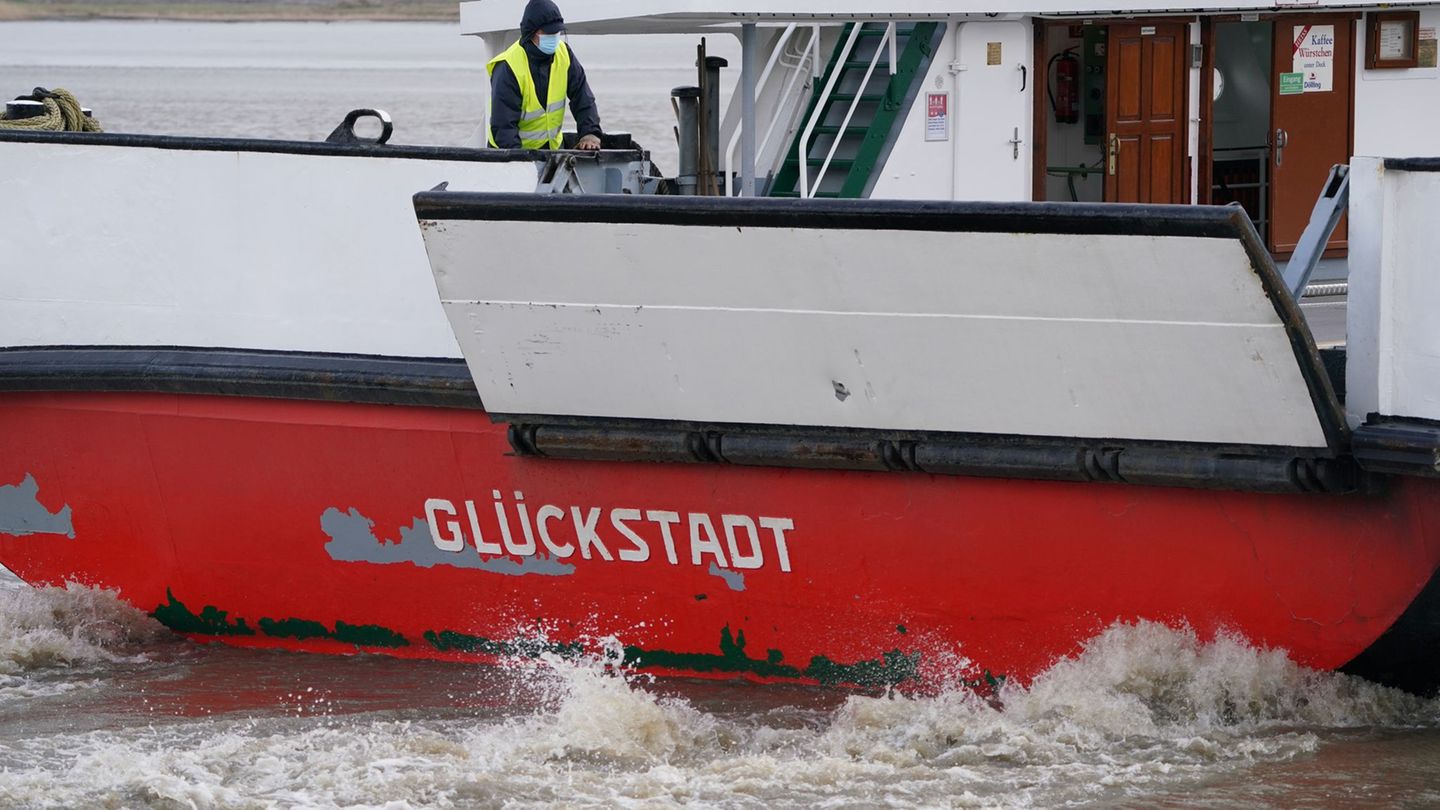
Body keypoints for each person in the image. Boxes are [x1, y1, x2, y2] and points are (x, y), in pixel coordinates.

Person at [487, 0, 602, 151]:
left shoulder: (564, 53)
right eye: (548, 33)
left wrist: (590, 133)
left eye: (557, 32)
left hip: (552, 151)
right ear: (532, 32)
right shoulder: (508, 67)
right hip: (512, 155)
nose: (554, 37)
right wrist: (519, 163)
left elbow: (582, 96)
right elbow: (504, 126)